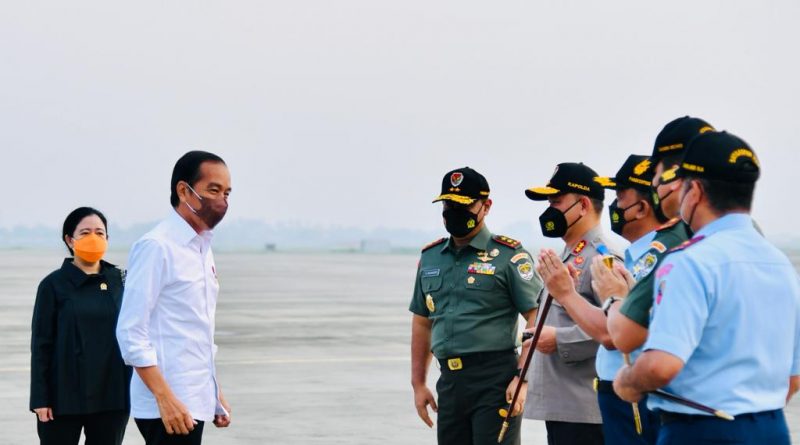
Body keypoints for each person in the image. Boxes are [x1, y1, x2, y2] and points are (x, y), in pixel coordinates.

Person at [613, 131, 800, 444]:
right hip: (772, 429)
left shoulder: (689, 262)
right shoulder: (779, 263)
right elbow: (792, 379)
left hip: (702, 431)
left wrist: (628, 382)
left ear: (695, 190)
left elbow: (660, 366)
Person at [410, 167, 543, 445]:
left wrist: (522, 378)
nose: (455, 212)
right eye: (449, 205)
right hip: (450, 382)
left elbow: (537, 316)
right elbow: (423, 321)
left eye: (464, 205)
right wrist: (418, 383)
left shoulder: (508, 256)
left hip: (495, 381)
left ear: (486, 206)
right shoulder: (431, 258)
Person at [116, 151, 232, 445]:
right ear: (184, 190)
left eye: (227, 193)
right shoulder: (157, 246)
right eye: (213, 190)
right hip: (168, 405)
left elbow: (196, 328)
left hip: (194, 397)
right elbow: (131, 332)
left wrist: (213, 391)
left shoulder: (201, 247)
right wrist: (164, 398)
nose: (222, 201)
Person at [522, 162, 619, 445]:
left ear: (583, 205)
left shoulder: (602, 259)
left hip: (585, 410)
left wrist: (559, 339)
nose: (549, 210)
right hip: (563, 406)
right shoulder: (569, 255)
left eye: (556, 202)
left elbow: (619, 329)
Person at [604, 116, 710, 354]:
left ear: (674, 176)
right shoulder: (753, 245)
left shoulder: (671, 248)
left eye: (657, 174)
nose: (654, 184)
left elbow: (622, 336)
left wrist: (610, 298)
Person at [30, 207, 131, 445]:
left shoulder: (121, 280)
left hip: (112, 395)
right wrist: (40, 398)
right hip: (62, 396)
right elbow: (41, 345)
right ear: (69, 239)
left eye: (100, 232)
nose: (93, 238)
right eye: (85, 233)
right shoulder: (53, 285)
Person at [586, 154, 667, 444]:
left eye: (620, 197)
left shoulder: (655, 258)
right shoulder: (636, 255)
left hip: (637, 394)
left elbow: (616, 335)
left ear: (642, 207)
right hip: (619, 391)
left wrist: (566, 293)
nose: (615, 207)